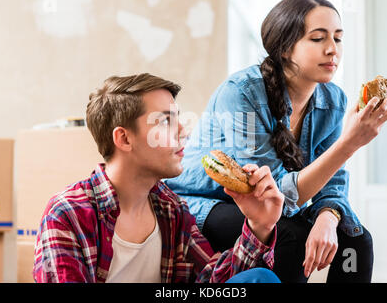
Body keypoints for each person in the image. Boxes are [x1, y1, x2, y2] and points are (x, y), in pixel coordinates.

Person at [165, 0, 387, 283]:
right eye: (318, 38)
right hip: (205, 204)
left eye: (337, 37)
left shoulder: (333, 99)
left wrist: (329, 216)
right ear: (285, 48)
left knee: (356, 240)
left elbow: (331, 182)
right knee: (290, 237)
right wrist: (350, 143)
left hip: (266, 205)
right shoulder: (242, 92)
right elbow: (273, 196)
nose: (332, 49)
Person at [32, 73, 283, 283]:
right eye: (165, 121)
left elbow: (211, 279)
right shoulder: (68, 213)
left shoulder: (171, 209)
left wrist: (259, 225)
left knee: (259, 278)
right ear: (124, 139)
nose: (183, 131)